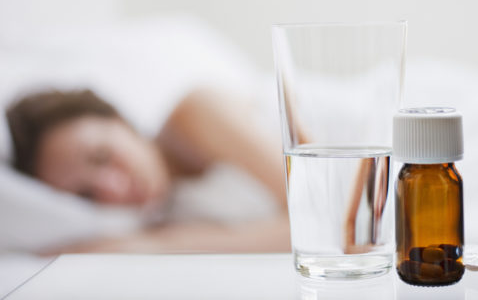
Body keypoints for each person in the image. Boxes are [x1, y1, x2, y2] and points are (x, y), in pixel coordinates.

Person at [5, 88, 290, 254]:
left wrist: (157, 245)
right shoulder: (166, 214)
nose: (113, 188)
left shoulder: (195, 114)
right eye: (87, 193)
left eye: (101, 156)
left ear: (120, 120)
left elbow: (321, 226)